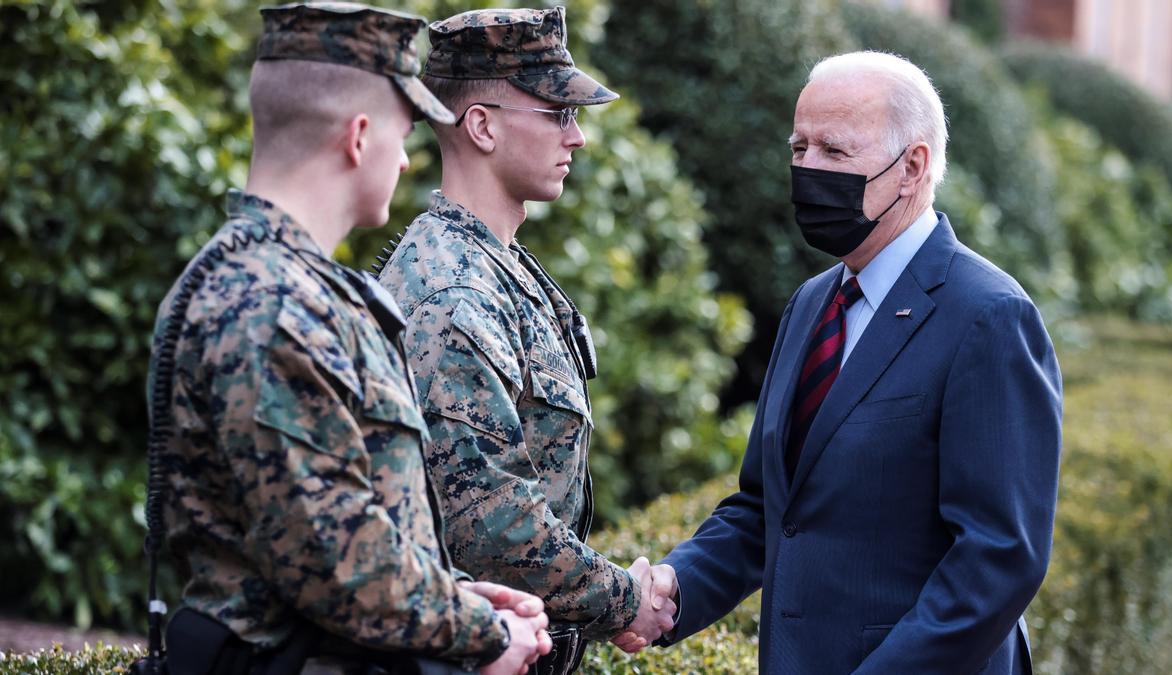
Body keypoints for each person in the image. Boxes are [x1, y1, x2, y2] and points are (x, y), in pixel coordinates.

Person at [149, 3, 552, 673]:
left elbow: (329, 535)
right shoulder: (272, 304)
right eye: (401, 133)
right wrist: (482, 631)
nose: (403, 160)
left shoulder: (274, 282)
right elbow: (340, 564)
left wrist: (448, 595)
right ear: (358, 137)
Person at [640, 51, 1063, 673]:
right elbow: (768, 508)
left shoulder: (990, 316)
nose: (808, 169)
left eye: (834, 153)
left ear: (912, 167)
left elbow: (998, 558)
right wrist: (674, 588)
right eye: (799, 148)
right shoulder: (812, 303)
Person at [372, 6, 675, 672]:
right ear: (480, 125)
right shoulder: (454, 292)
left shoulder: (493, 264)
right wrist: (625, 598)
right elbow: (492, 528)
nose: (578, 138)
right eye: (557, 114)